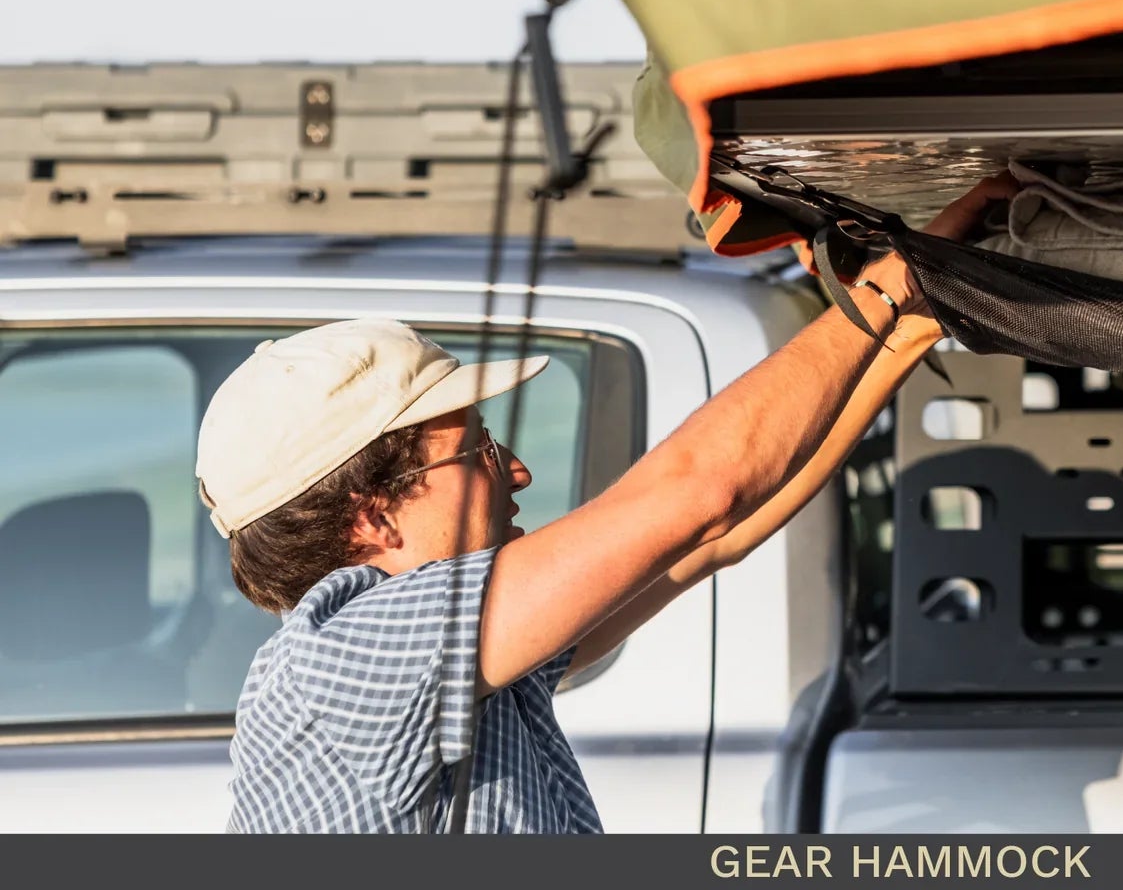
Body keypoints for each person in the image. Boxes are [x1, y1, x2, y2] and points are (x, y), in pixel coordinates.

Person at [194, 175, 1015, 833]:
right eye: (478, 449)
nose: (515, 472)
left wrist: (905, 320)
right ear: (371, 514)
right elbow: (695, 496)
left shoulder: (452, 659)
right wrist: (879, 293)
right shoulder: (348, 658)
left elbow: (709, 537)